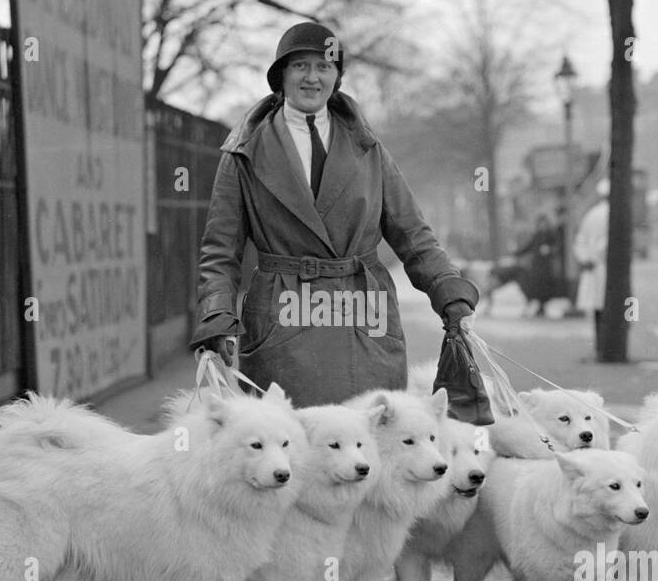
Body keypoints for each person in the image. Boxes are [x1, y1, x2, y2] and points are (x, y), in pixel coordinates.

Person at [190, 22, 479, 406]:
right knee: (291, 447)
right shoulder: (243, 152)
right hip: (284, 315)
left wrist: (448, 291)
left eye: (324, 67)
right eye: (300, 67)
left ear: (336, 77)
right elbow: (220, 252)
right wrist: (217, 314)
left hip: (363, 315)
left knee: (371, 442)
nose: (312, 78)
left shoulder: (368, 147)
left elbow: (412, 233)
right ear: (281, 76)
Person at [573, 178, 610, 359]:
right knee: (607, 310)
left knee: (597, 310)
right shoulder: (614, 215)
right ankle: (606, 349)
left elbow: (580, 241)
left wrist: (585, 259)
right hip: (604, 269)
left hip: (593, 269)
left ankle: (599, 347)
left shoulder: (591, 214)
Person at [513, 213, 561, 317]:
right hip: (537, 265)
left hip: (547, 266)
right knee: (536, 285)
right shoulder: (537, 235)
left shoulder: (551, 235)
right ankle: (539, 305)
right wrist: (516, 253)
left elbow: (558, 248)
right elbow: (528, 246)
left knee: (546, 286)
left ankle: (542, 305)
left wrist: (550, 250)